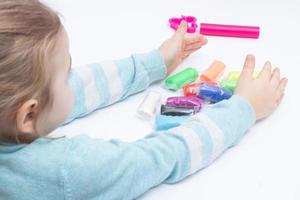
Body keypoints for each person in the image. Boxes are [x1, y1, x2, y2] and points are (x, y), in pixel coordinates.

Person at [0, 1, 287, 199]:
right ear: (27, 116)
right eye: (66, 72)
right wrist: (244, 107)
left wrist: (155, 63)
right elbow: (160, 157)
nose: (73, 77)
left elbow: (78, 87)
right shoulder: (70, 171)